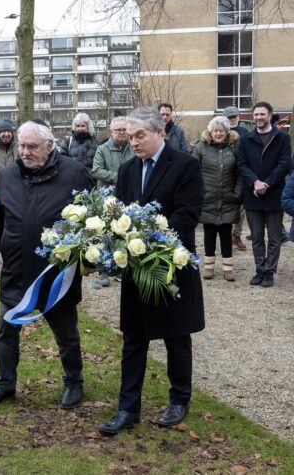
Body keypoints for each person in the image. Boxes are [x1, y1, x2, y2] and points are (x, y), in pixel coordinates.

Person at [97, 107, 204, 435]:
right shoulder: (128, 170)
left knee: (176, 337)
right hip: (135, 267)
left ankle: (179, 399)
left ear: (161, 133)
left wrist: (146, 234)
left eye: (140, 135)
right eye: (130, 137)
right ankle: (128, 408)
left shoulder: (185, 165)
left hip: (172, 265)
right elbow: (117, 211)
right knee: (134, 338)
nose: (134, 143)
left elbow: (188, 214)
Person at [0, 121, 92, 409]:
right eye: (21, 146)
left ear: (49, 146)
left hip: (55, 273)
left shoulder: (74, 173)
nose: (24, 152)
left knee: (66, 334)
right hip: (16, 270)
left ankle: (74, 382)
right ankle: (5, 384)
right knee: (6, 331)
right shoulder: (11, 174)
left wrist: (89, 259)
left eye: (31, 147)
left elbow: (92, 220)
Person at [236, 102, 291, 288]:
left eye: (262, 114)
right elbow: (241, 164)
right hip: (253, 195)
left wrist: (267, 182)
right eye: (256, 114)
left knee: (275, 238)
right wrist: (255, 182)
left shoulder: (282, 138)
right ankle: (259, 270)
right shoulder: (246, 140)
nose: (259, 117)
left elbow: (285, 164)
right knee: (257, 236)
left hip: (275, 194)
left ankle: (270, 271)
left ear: (270, 115)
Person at [191, 116, 242, 281]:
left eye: (221, 131)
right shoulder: (201, 147)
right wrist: (199, 193)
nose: (218, 134)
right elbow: (193, 172)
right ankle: (209, 267)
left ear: (227, 132)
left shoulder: (234, 148)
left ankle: (228, 268)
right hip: (208, 198)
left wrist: (237, 194)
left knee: (226, 234)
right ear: (210, 132)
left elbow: (240, 173)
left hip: (228, 197)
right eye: (215, 131)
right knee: (209, 234)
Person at [90, 116, 135, 287]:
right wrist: (118, 178)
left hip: (128, 196)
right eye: (118, 130)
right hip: (107, 197)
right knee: (105, 234)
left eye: (124, 130)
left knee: (124, 232)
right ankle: (103, 272)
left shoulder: (132, 147)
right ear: (111, 132)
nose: (122, 133)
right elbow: (96, 170)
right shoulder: (102, 149)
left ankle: (121, 269)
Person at [223, 106, 248, 251]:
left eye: (234, 116)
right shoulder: (220, 132)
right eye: (229, 117)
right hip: (224, 174)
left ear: (238, 117)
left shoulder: (245, 133)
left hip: (241, 173)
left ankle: (236, 235)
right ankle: (225, 237)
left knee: (241, 208)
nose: (232, 119)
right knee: (225, 206)